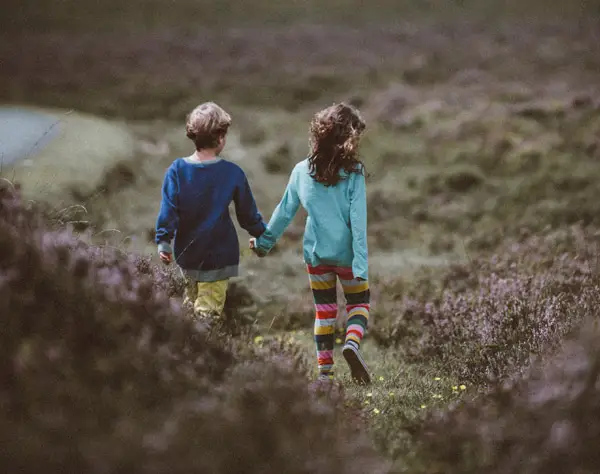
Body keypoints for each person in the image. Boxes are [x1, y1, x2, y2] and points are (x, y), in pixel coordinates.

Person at [251, 102, 371, 385]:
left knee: (325, 311)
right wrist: (361, 263)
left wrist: (264, 243)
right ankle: (352, 344)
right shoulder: (354, 172)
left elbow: (283, 212)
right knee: (359, 305)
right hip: (347, 256)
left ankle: (325, 375)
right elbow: (359, 220)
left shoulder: (300, 171)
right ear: (348, 140)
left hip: (316, 255)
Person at [156, 102, 266, 320]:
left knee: (188, 308)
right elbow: (247, 214)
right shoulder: (232, 173)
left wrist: (163, 241)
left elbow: (168, 209)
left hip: (187, 253)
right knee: (207, 313)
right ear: (221, 137)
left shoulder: (177, 170)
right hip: (219, 254)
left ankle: (186, 348)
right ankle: (199, 346)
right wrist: (262, 234)